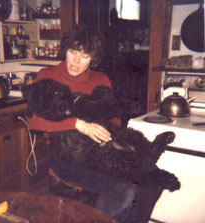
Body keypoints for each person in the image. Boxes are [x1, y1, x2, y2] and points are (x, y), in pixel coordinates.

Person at [27, 25, 163, 223]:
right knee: (123, 186)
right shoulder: (47, 75)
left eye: (85, 55)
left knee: (153, 180)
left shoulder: (101, 79)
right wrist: (77, 124)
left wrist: (110, 137)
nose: (76, 60)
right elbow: (33, 121)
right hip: (64, 155)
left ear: (93, 58)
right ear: (65, 49)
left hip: (101, 150)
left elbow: (115, 120)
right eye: (73, 51)